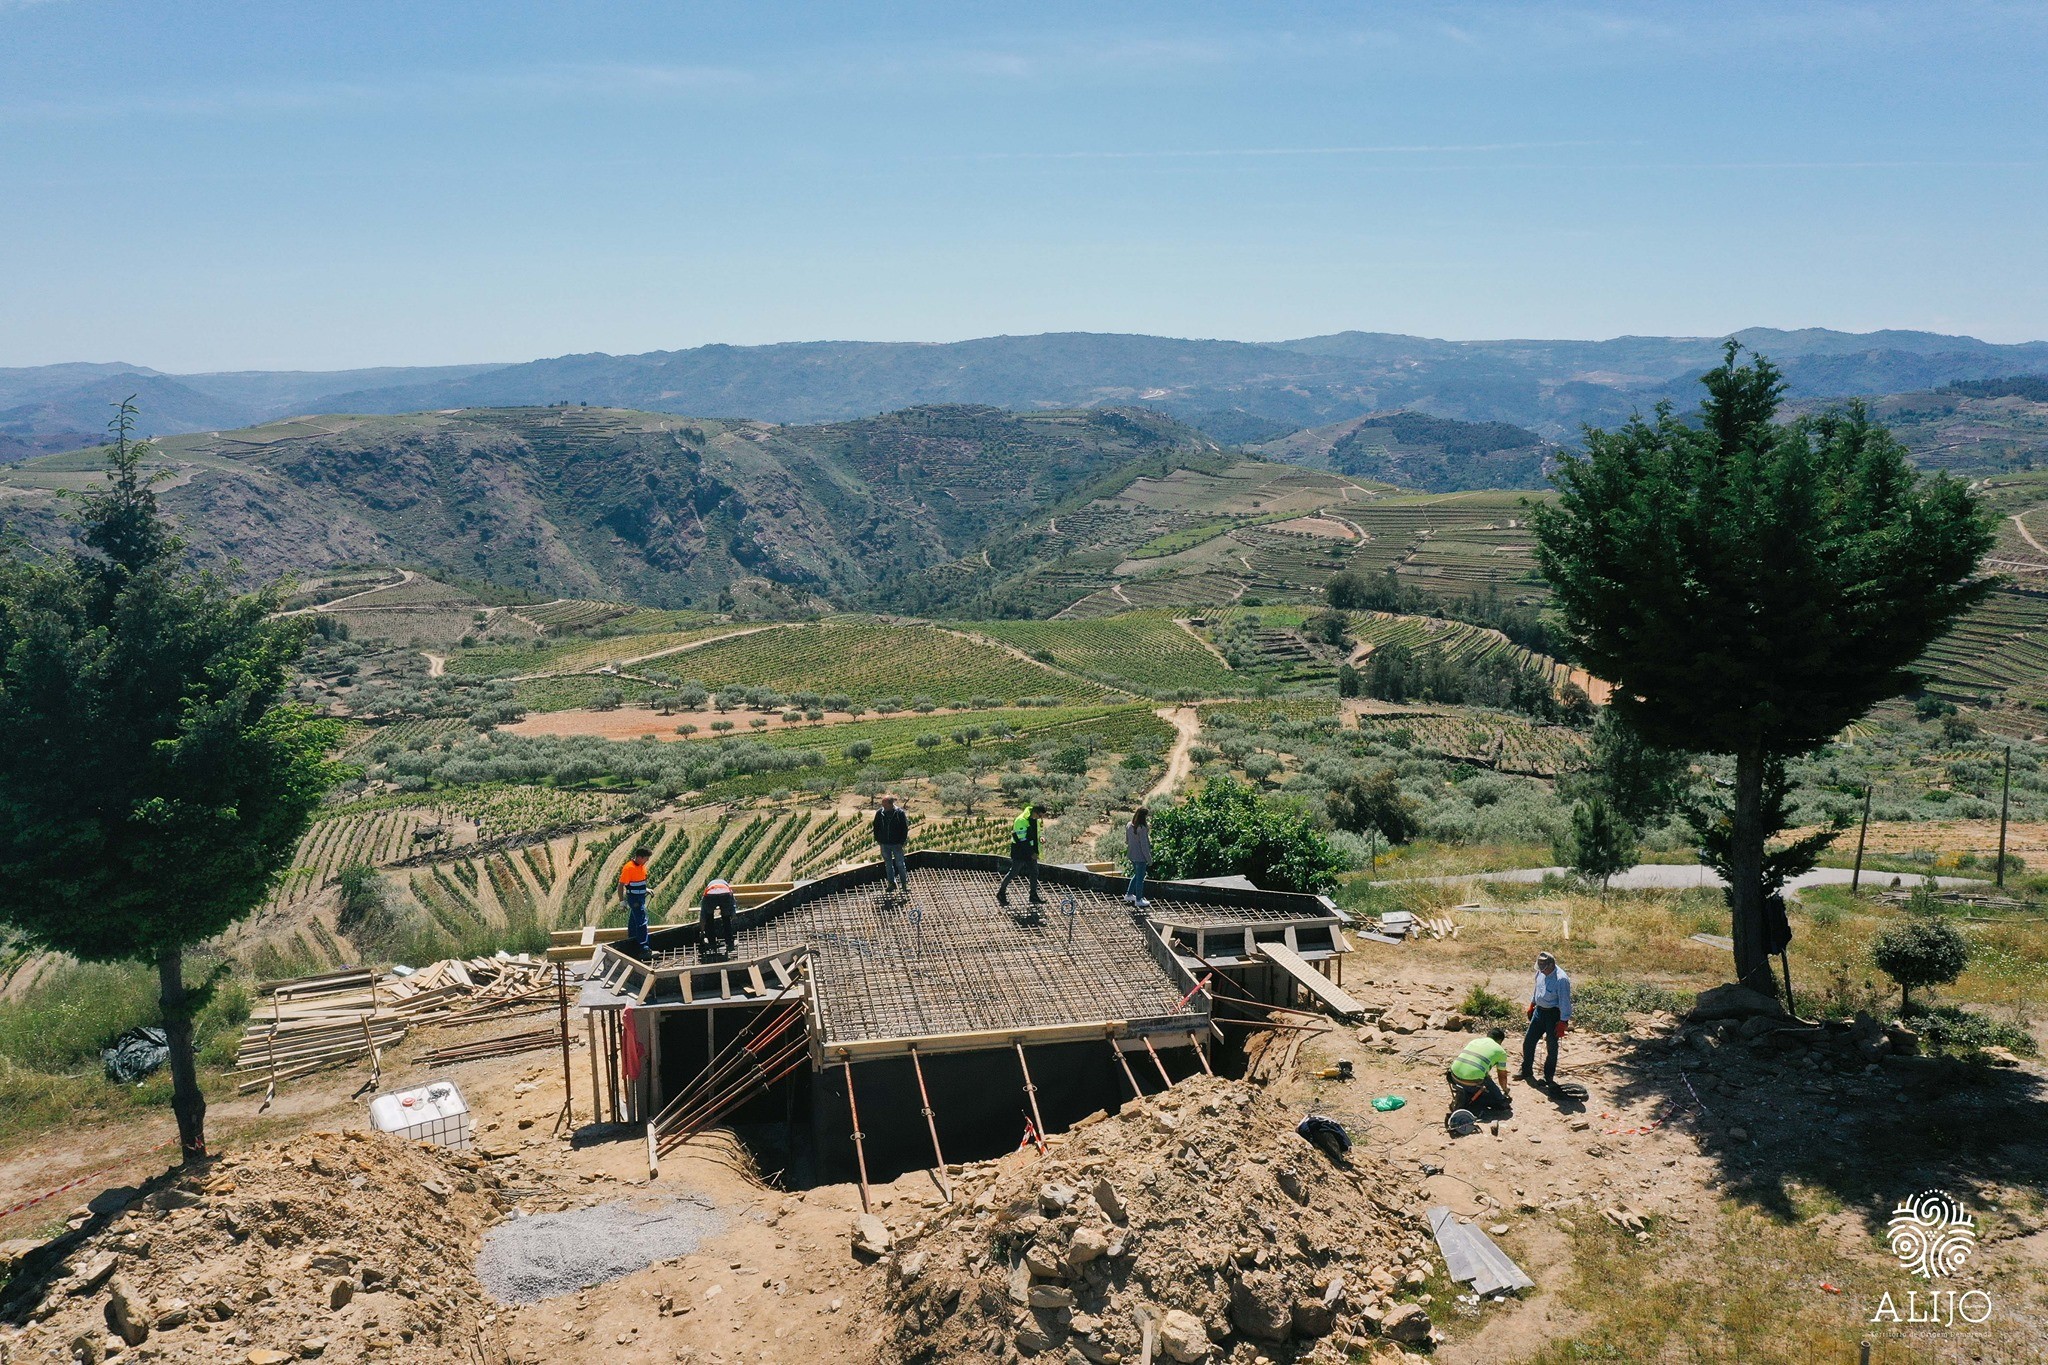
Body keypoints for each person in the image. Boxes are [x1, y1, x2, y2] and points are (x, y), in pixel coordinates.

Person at [1522, 950, 1572, 1085]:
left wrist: (1563, 1022)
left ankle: (1548, 1077)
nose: (1541, 971)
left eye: (1544, 968)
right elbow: (1537, 989)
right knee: (1528, 1042)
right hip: (1539, 1012)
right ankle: (1526, 1071)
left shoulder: (1561, 980)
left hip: (1553, 1015)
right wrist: (1532, 1004)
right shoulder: (1540, 972)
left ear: (1551, 965)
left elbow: (1565, 1001)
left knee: (1552, 1047)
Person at [1447, 1026, 1514, 1113]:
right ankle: (1494, 1100)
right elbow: (1502, 1076)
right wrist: (1505, 1089)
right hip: (1470, 1083)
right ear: (1500, 1041)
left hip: (1453, 1077)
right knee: (1496, 1097)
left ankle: (1465, 1094)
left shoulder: (1475, 1041)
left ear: (1488, 1035)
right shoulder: (1501, 1052)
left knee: (1484, 1075)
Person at [996, 803, 1042, 906]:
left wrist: (1041, 838)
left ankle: (1033, 896)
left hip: (1030, 850)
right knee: (1014, 872)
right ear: (1035, 812)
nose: (1040, 818)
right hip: (1020, 851)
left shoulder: (1034, 820)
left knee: (1034, 872)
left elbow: (1037, 833)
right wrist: (1032, 853)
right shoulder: (1021, 820)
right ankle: (1001, 893)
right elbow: (1022, 840)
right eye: (1039, 815)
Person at [618, 845, 654, 957]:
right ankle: (644, 948)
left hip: (640, 897)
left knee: (634, 921)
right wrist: (622, 902)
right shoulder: (629, 868)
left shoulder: (641, 867)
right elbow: (621, 886)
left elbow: (638, 882)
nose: (647, 860)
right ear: (640, 857)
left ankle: (632, 944)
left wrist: (646, 889)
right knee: (642, 921)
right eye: (646, 858)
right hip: (634, 899)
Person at [873, 793, 910, 893]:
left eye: (884, 804)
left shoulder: (899, 813)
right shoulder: (879, 813)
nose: (883, 806)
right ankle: (891, 884)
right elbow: (876, 827)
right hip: (884, 844)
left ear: (890, 804)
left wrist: (901, 842)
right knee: (888, 864)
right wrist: (878, 840)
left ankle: (904, 884)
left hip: (896, 844)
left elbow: (904, 828)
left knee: (900, 864)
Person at [699, 877, 738, 959]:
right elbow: (733, 904)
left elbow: (703, 915)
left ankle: (711, 942)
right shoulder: (726, 887)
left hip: (710, 896)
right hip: (725, 894)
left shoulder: (708, 890)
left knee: (709, 918)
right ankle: (729, 941)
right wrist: (733, 915)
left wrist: (702, 931)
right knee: (726, 918)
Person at [1123, 806, 1152, 908]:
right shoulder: (1142, 829)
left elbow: (1127, 841)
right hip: (1140, 857)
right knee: (1140, 879)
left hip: (1132, 854)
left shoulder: (1129, 825)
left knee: (1137, 875)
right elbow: (1144, 846)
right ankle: (1139, 900)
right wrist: (1149, 859)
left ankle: (1129, 894)